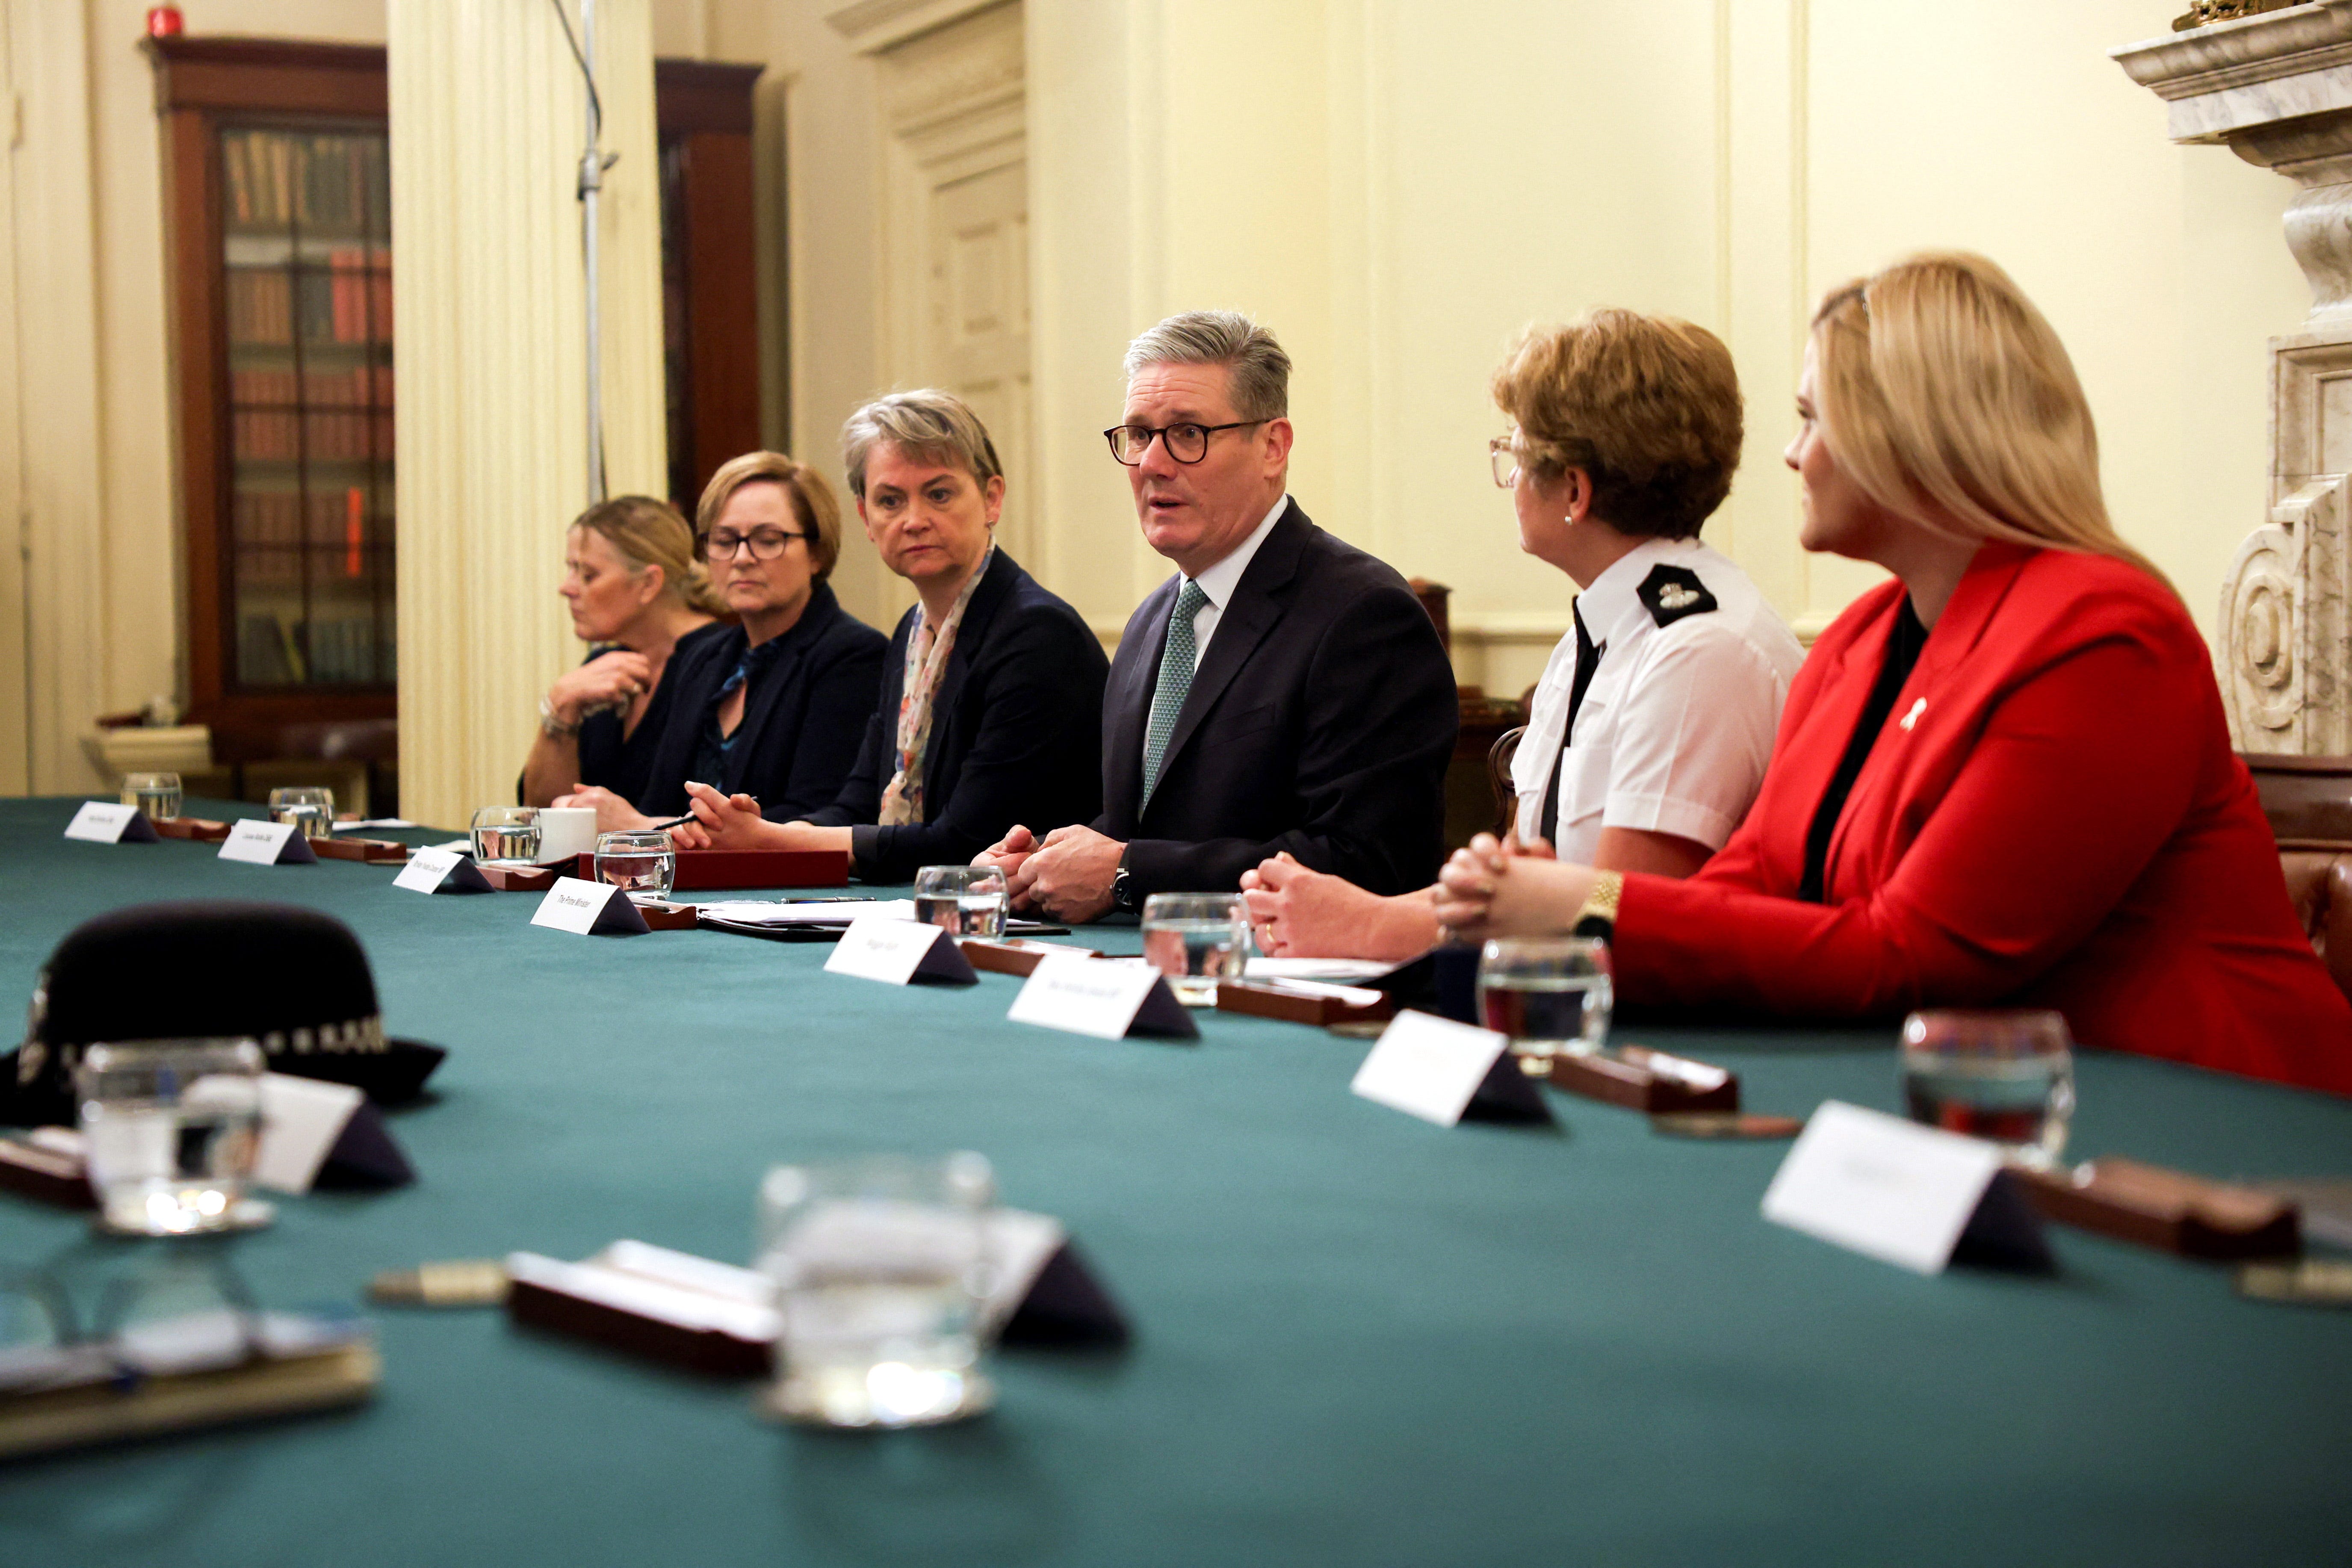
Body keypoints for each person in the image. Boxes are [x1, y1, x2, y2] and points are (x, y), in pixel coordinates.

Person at [1433, 251, 2352, 1096]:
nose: (1790, 455)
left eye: (1809, 420)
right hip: (1985, 1095)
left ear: (1907, 434)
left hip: (2212, 1121)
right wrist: (1568, 906)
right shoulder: (1861, 639)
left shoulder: (2105, 637)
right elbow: (1747, 884)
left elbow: (1913, 954)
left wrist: (1581, 911)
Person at [1243, 310, 1805, 961]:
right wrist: (1341, 908)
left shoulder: (1700, 650)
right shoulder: (1599, 631)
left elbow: (1623, 911)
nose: (1508, 477)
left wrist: (1372, 929)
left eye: (1514, 452)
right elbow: (1513, 886)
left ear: (1574, 488)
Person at [975, 310, 1459, 922]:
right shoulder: (1153, 620)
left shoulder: (1364, 615)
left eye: (1187, 434)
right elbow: (1149, 826)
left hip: (1286, 991)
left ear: (1272, 447)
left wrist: (1125, 872)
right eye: (1139, 434)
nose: (1152, 463)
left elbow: (1365, 859)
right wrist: (1044, 865)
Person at [671, 391, 1108, 879]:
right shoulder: (911, 631)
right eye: (890, 501)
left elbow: (967, 840)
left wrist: (772, 839)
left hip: (1029, 921)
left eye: (939, 494)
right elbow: (857, 804)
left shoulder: (1036, 633)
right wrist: (750, 831)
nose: (914, 519)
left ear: (991, 498)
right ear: (865, 518)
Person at [557, 452, 886, 832]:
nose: (742, 558)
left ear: (817, 553)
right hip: (684, 885)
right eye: (724, 540)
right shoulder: (705, 657)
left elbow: (819, 820)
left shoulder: (853, 656)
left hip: (792, 889)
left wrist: (640, 825)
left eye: (768, 540)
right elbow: (661, 800)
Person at [520, 496, 729, 811]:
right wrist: (561, 706)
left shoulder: (725, 663)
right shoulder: (600, 667)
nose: (567, 588)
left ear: (648, 583)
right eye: (571, 570)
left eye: (588, 574)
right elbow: (541, 814)